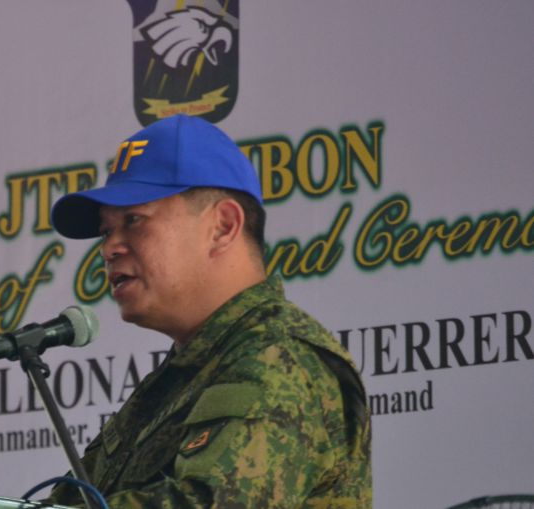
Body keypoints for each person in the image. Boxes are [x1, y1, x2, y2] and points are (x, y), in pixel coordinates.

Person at [48, 114, 371, 508]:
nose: (109, 248)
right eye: (106, 231)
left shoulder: (280, 354)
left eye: (133, 220)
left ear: (223, 226)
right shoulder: (182, 376)